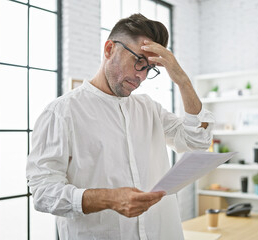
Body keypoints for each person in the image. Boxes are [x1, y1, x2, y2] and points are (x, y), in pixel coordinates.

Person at [26, 13, 214, 240]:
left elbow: (197, 141)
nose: (141, 76)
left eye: (149, 69)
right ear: (109, 49)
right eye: (138, 61)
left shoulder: (149, 108)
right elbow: (43, 193)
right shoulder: (62, 113)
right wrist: (110, 199)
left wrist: (182, 80)